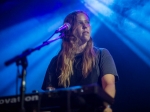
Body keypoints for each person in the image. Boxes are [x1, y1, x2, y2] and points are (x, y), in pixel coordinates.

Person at [42, 10, 119, 112]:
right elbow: (49, 94)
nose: (85, 26)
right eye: (80, 22)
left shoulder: (101, 54)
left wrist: (106, 105)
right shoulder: (56, 61)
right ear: (69, 30)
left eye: (87, 22)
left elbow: (109, 84)